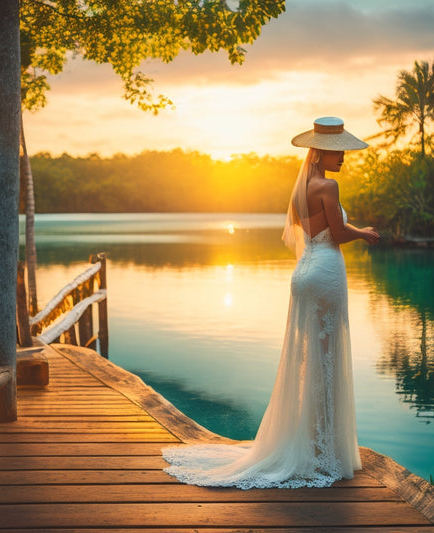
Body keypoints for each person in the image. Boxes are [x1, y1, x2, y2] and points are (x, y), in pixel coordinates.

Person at [162, 117, 380, 489]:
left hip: (304, 274)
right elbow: (338, 233)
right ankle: (321, 449)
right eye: (339, 150)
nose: (343, 156)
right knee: (326, 361)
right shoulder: (328, 185)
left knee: (312, 361)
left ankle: (311, 444)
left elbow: (310, 232)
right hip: (326, 271)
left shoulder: (301, 189)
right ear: (322, 151)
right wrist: (364, 233)